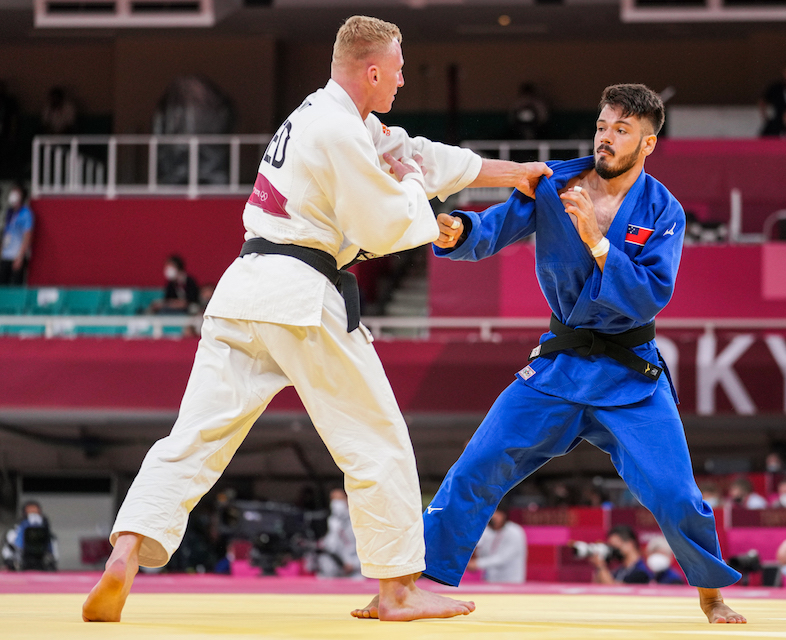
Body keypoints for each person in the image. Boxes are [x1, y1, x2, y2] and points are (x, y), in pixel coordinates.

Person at [82, 15, 550, 624]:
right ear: (373, 70)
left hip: (241, 291)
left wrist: (514, 175)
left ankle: (126, 551)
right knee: (377, 441)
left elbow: (418, 155)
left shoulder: (324, 117)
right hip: (301, 294)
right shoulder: (337, 131)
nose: (404, 81)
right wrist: (418, 199)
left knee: (192, 440)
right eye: (400, 70)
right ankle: (398, 590)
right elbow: (383, 222)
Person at [415, 84, 745, 624]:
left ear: (648, 144)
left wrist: (597, 239)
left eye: (621, 131)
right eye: (601, 126)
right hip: (558, 367)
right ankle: (423, 581)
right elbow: (495, 228)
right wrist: (458, 232)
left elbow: (650, 293)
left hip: (630, 374)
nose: (606, 139)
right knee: (477, 465)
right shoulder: (555, 183)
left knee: (674, 493)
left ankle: (711, 591)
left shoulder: (664, 210)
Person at [467, 507, 527, 584]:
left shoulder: (515, 531)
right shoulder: (486, 531)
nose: (493, 517)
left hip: (511, 582)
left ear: (503, 515)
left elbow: (502, 558)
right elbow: (480, 552)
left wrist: (477, 564)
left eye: (497, 513)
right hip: (490, 581)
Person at [316, 488, 362, 578]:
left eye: (339, 499)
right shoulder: (332, 521)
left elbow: (364, 547)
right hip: (333, 568)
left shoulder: (357, 520)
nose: (336, 503)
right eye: (333, 499)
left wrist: (354, 564)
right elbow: (330, 544)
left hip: (354, 569)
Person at [1, 501, 58, 571]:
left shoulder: (48, 534)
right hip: (20, 568)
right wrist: (13, 563)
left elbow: (53, 556)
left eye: (35, 512)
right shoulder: (13, 533)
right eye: (30, 512)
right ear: (24, 513)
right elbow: (7, 554)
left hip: (42, 567)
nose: (33, 515)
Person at [0, 182, 33, 285]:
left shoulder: (26, 213)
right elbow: (6, 234)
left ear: (21, 196)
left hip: (17, 256)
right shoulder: (9, 212)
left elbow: (27, 235)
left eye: (16, 192)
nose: (13, 195)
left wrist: (20, 257)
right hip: (6, 256)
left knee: (15, 287)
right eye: (12, 192)